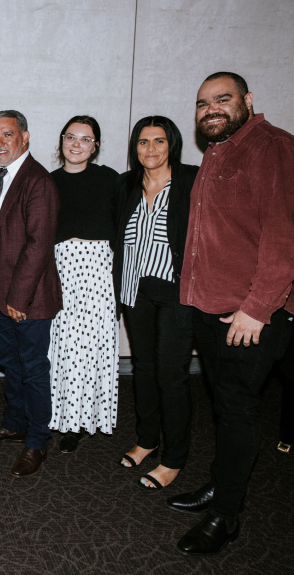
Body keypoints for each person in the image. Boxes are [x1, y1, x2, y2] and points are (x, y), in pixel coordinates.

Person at [169, 72, 294, 556]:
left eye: (222, 99)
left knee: (237, 412)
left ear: (248, 100)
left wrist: (257, 309)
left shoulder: (275, 149)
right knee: (224, 407)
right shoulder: (218, 152)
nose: (210, 109)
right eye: (202, 103)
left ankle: (225, 516)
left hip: (250, 317)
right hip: (213, 310)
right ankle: (219, 485)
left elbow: (285, 240)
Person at [0, 110, 62, 477]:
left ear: (25, 137)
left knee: (34, 370)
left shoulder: (37, 181)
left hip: (27, 298)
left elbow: (39, 246)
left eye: (7, 135)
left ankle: (37, 442)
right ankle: (14, 424)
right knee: (10, 363)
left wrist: (18, 299)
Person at [112, 116, 199, 492]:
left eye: (159, 141)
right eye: (143, 142)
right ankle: (147, 440)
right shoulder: (127, 183)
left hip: (176, 293)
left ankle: (174, 457)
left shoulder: (191, 181)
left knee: (171, 374)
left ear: (172, 145)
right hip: (135, 290)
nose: (150, 149)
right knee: (143, 368)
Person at [48, 116, 119, 454]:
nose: (76, 144)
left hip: (98, 277)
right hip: (61, 274)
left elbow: (124, 232)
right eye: (70, 137)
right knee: (63, 349)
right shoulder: (48, 182)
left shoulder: (110, 180)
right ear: (61, 140)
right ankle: (60, 417)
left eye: (85, 139)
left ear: (96, 145)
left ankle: (84, 420)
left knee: (91, 350)